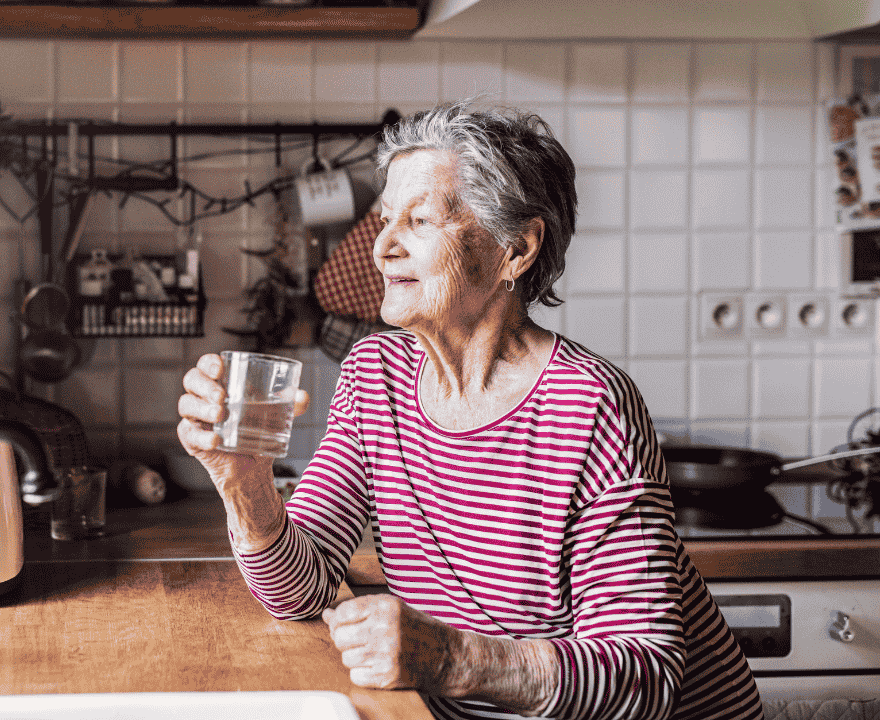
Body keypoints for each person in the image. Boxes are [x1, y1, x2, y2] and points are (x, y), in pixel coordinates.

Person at [176, 101, 763, 720]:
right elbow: (301, 589)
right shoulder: (375, 375)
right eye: (386, 220)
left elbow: (644, 679)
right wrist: (244, 484)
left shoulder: (589, 405)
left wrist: (452, 660)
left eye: (419, 221)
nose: (383, 248)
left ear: (516, 249)